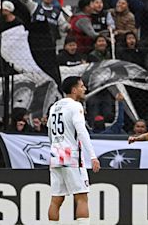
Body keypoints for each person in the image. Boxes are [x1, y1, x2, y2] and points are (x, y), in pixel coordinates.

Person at [47, 76, 100, 225]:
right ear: (74, 89)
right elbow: (82, 132)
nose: (84, 89)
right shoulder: (75, 106)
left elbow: (50, 132)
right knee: (82, 196)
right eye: (82, 86)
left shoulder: (54, 107)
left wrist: (55, 148)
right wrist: (93, 156)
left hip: (56, 152)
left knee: (56, 197)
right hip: (71, 153)